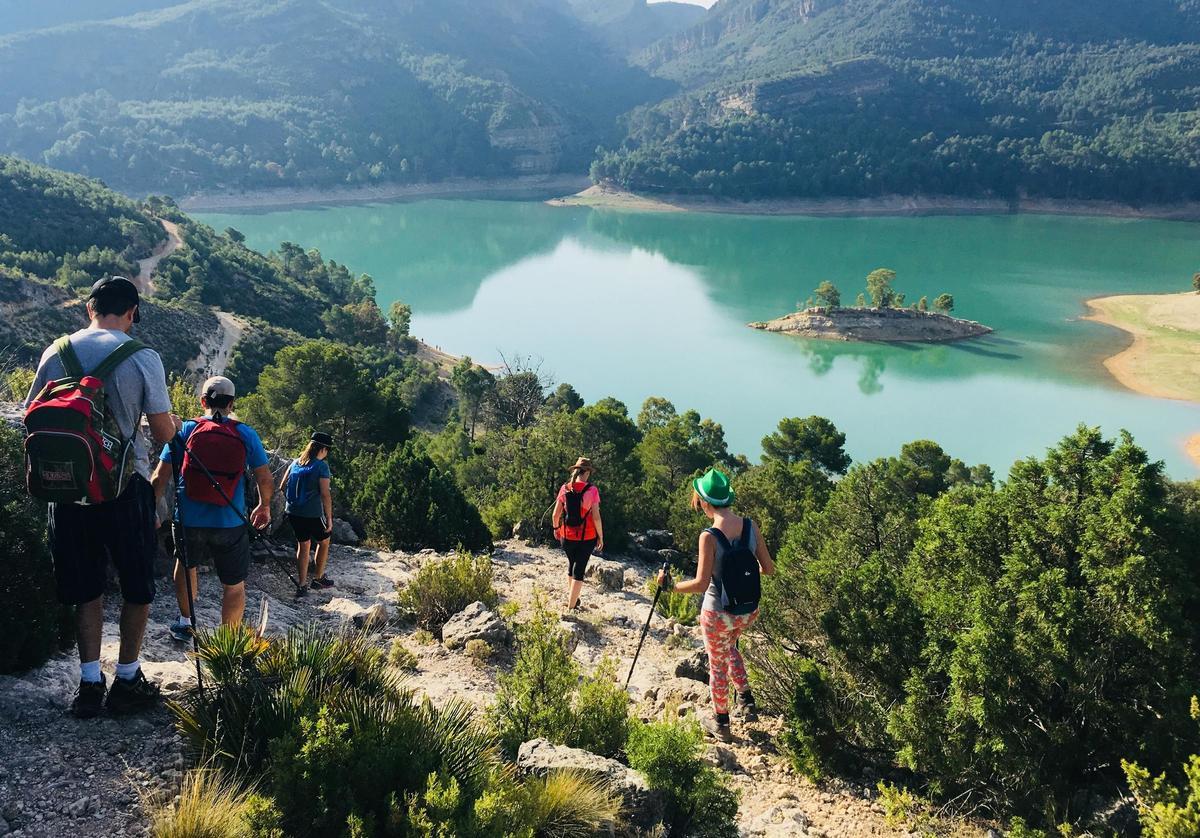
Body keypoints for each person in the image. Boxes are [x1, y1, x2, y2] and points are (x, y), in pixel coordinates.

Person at [24, 276, 181, 718]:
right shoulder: (143, 357)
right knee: (137, 587)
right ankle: (127, 677)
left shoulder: (56, 352)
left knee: (85, 589)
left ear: (88, 309)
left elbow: (32, 416)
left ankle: (90, 684)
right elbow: (165, 431)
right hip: (124, 488)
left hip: (69, 489)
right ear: (132, 313)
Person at [657, 468, 775, 742]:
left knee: (717, 664)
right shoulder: (750, 525)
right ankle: (745, 699)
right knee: (730, 646)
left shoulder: (708, 536)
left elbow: (700, 584)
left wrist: (670, 587)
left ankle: (720, 721)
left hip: (717, 613)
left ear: (706, 502)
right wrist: (744, 573)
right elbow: (768, 569)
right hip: (747, 611)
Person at [151, 375, 272, 640]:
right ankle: (227, 640)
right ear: (232, 403)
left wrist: (151, 511)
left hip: (189, 519)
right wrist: (264, 506)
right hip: (230, 520)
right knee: (234, 583)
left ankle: (186, 623)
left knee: (185, 565)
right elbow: (264, 477)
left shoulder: (184, 431)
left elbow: (160, 476)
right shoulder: (245, 433)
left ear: (202, 401)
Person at [280, 432, 335, 597]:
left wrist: (293, 502)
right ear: (323, 449)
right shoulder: (321, 466)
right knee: (324, 541)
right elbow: (325, 494)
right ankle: (318, 578)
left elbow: (282, 486)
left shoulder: (295, 462)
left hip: (293, 512)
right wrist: (329, 519)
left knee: (303, 545)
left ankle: (302, 585)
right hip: (312, 513)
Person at [552, 456, 604, 613]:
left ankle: (572, 597)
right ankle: (571, 607)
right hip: (586, 537)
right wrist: (600, 536)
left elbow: (556, 514)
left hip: (566, 535)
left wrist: (556, 529)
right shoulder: (592, 490)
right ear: (587, 472)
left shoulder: (565, 488)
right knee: (579, 569)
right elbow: (596, 517)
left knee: (572, 565)